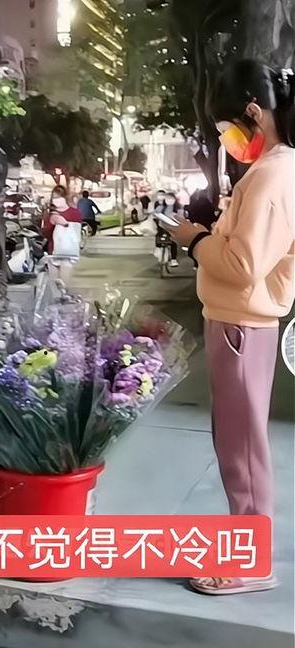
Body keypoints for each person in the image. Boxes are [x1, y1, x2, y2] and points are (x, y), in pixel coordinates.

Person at [169, 60, 295, 595]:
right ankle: (246, 548)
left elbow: (244, 265)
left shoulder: (272, 176)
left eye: (227, 128)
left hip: (242, 324)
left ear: (253, 112)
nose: (227, 139)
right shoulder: (272, 171)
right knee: (237, 442)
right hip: (240, 322)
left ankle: (250, 561)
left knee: (242, 446)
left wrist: (195, 240)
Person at [42, 185, 83, 284]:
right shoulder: (51, 214)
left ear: (65, 197)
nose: (56, 200)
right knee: (53, 285)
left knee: (63, 284)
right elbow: (46, 233)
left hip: (68, 254)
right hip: (53, 252)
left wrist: (64, 223)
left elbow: (76, 229)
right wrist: (51, 222)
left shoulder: (74, 213)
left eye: (58, 197)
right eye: (54, 198)